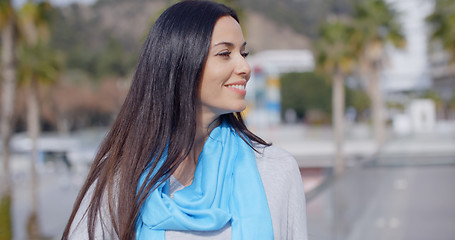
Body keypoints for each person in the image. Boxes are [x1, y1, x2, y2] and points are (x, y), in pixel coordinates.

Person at [62, 1, 308, 239]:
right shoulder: (121, 177)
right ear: (180, 63)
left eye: (243, 53)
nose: (244, 66)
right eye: (225, 53)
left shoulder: (276, 170)